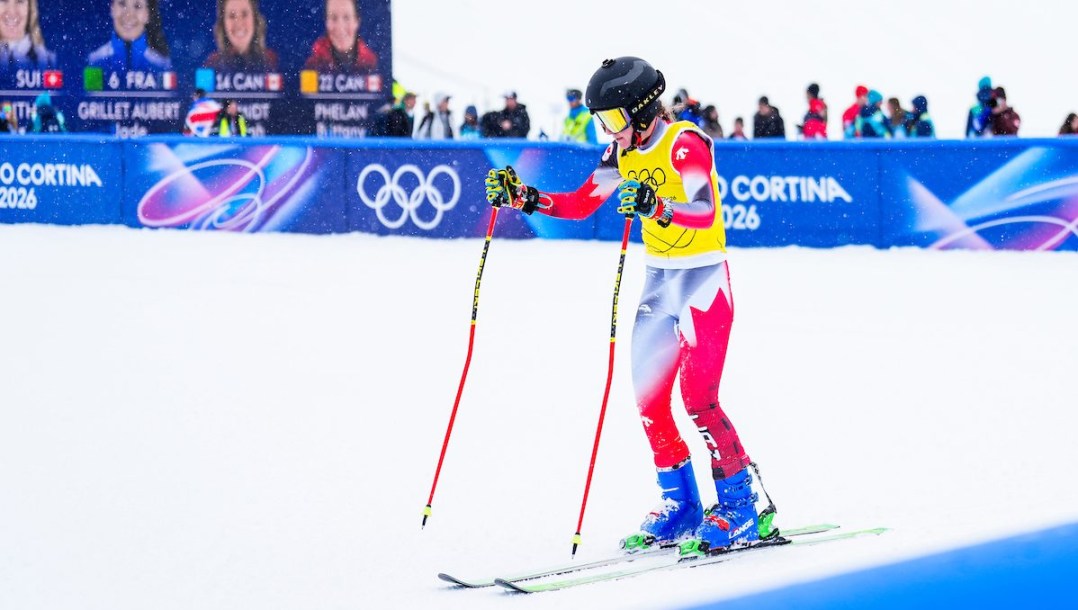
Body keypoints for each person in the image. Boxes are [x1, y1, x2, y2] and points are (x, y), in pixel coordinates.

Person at [483, 56, 778, 556]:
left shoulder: (684, 142)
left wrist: (655, 205)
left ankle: (740, 506)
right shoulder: (620, 153)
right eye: (602, 121)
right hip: (661, 282)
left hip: (703, 281)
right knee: (649, 398)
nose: (608, 130)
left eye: (614, 120)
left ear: (642, 113)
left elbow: (704, 213)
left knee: (699, 399)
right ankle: (681, 503)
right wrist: (523, 197)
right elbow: (581, 204)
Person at [88, 0, 172, 73]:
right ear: (112, 8)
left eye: (137, 6)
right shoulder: (94, 61)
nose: (128, 15)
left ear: (147, 14)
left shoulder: (163, 66)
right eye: (122, 3)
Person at [303, 0, 378, 73]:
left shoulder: (372, 64)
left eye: (346, 17)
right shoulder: (312, 63)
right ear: (326, 22)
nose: (340, 27)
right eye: (333, 18)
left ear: (357, 21)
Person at [203, 0, 279, 72]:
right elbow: (201, 86)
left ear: (255, 19)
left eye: (244, 14)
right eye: (232, 16)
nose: (239, 24)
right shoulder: (210, 65)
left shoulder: (273, 63)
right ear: (223, 23)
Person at [0, 0, 57, 72]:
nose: (12, 11)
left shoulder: (51, 62)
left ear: (30, 8)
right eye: (3, 0)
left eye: (20, 1)